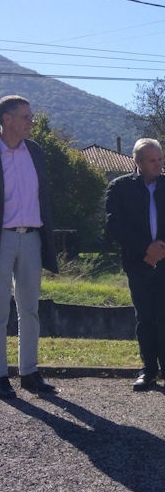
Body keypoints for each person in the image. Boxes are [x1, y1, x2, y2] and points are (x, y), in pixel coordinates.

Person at [105, 138, 165, 393]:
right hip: (138, 262)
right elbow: (114, 224)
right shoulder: (120, 187)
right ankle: (148, 371)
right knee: (144, 318)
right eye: (152, 161)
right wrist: (146, 248)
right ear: (138, 162)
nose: (159, 165)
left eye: (160, 159)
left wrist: (162, 246)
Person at [0, 95, 59, 399]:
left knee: (29, 309)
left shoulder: (34, 151)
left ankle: (29, 373)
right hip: (3, 238)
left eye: (31, 116)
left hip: (32, 237)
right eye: (25, 116)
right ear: (6, 119)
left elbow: (44, 196)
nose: (31, 122)